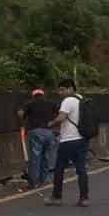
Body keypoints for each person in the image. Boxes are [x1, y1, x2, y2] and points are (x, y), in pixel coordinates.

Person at [46, 77, 89, 206]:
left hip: (68, 140)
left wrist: (51, 123)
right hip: (82, 139)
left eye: (62, 90)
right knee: (81, 169)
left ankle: (57, 197)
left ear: (70, 89)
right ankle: (84, 198)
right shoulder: (82, 99)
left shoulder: (68, 100)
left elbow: (62, 117)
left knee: (59, 168)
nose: (60, 93)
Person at [19, 87, 58, 188]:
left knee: (36, 158)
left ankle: (34, 182)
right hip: (49, 132)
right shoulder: (51, 103)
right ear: (43, 95)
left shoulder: (29, 104)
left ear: (34, 96)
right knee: (46, 157)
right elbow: (59, 113)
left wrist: (22, 119)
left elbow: (21, 113)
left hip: (35, 132)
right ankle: (44, 180)